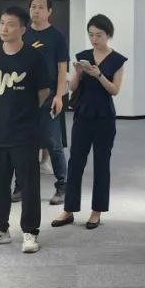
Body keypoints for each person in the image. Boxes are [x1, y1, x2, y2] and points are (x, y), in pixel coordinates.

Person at [0, 6, 50, 254]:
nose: (4, 28)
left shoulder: (33, 57)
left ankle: (30, 232)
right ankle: (0, 229)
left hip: (25, 132)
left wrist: (25, 112)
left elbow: (43, 91)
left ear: (22, 29)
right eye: (1, 23)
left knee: (28, 185)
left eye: (10, 24)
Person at [52, 14, 127, 228]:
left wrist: (99, 75)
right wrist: (78, 74)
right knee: (75, 162)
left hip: (104, 117)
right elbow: (73, 87)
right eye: (91, 35)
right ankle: (68, 209)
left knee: (102, 163)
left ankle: (97, 211)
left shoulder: (117, 60)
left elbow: (114, 90)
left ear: (108, 35)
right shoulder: (83, 56)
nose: (94, 39)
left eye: (99, 35)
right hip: (83, 114)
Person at [25, 0, 70, 205]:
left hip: (50, 96)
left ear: (49, 11)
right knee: (24, 143)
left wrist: (60, 96)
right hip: (25, 96)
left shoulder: (57, 37)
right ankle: (21, 186)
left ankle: (62, 186)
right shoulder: (23, 33)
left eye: (41, 7)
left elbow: (62, 70)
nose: (36, 10)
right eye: (33, 6)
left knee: (54, 143)